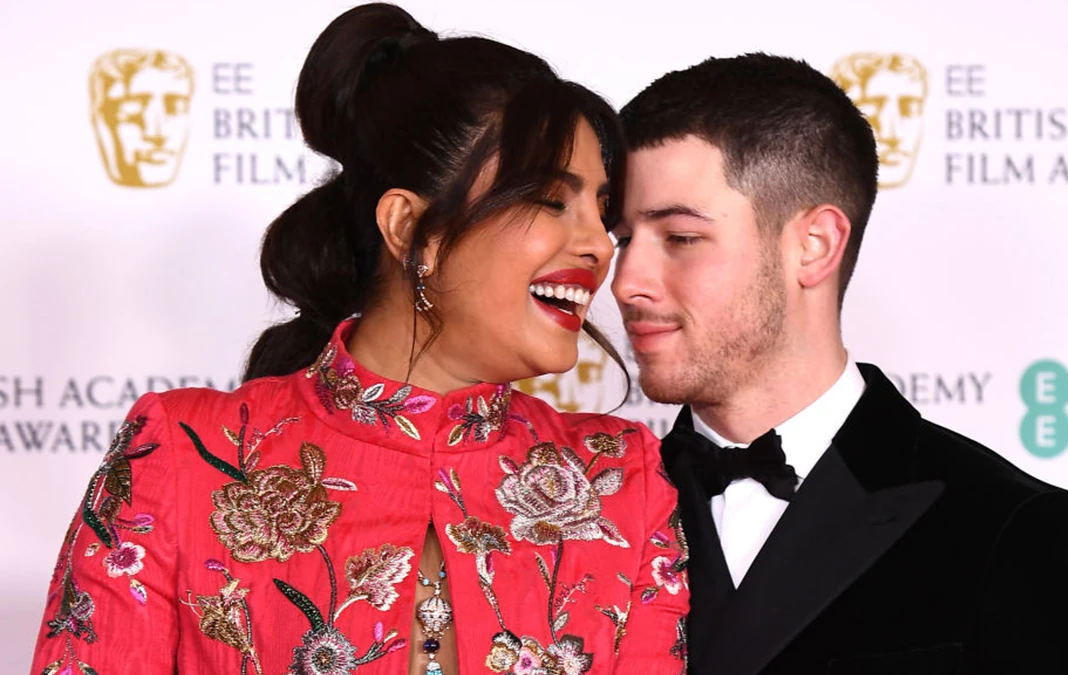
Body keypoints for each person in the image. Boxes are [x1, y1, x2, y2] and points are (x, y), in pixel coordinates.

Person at [29, 5, 688, 675]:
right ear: (410, 228)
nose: (598, 245)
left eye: (600, 210)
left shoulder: (620, 481)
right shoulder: (179, 456)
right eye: (551, 200)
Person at [611, 53, 1068, 675]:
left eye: (680, 238)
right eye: (623, 240)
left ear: (814, 246)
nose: (626, 282)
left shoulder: (1006, 527)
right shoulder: (588, 506)